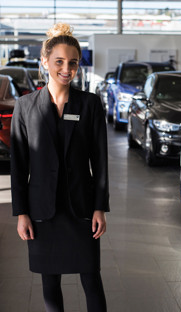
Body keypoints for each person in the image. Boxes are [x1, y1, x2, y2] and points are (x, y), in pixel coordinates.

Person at [11, 23, 109, 312]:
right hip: (42, 210)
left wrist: (99, 207)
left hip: (81, 209)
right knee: (49, 283)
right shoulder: (25, 107)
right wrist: (21, 213)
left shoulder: (90, 104)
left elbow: (100, 160)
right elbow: (19, 166)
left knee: (92, 279)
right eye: (59, 62)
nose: (66, 69)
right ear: (45, 61)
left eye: (73, 63)